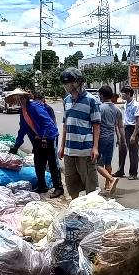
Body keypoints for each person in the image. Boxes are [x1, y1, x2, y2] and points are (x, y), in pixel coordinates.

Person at [6, 87, 64, 198]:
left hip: (49, 137)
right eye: (16, 98)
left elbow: (47, 121)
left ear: (24, 98)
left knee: (52, 163)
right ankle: (42, 185)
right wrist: (16, 145)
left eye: (19, 98)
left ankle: (58, 188)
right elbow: (22, 129)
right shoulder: (23, 111)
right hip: (37, 139)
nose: (18, 100)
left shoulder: (34, 106)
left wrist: (45, 136)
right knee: (38, 162)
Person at [58, 67, 101, 198]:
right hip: (69, 151)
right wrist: (62, 146)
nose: (68, 86)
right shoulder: (67, 100)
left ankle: (92, 213)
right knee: (71, 186)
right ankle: (76, 210)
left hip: (85, 150)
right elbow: (65, 125)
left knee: (91, 187)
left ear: (78, 82)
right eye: (65, 83)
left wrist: (95, 147)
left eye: (71, 83)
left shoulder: (91, 100)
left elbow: (96, 125)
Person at [96, 86, 123, 195]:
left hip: (101, 137)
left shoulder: (100, 108)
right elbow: (120, 126)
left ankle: (111, 179)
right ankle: (107, 185)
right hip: (111, 137)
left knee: (96, 163)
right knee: (108, 162)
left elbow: (95, 125)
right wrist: (121, 139)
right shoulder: (117, 109)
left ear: (102, 95)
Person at [114, 86, 139, 179]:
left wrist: (134, 135)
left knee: (133, 152)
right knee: (122, 150)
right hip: (125, 128)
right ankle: (120, 170)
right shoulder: (126, 104)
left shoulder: (136, 105)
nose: (122, 95)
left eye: (123, 93)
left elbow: (137, 121)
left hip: (132, 128)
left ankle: (133, 173)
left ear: (129, 94)